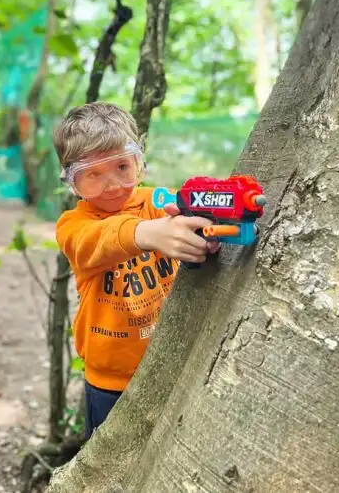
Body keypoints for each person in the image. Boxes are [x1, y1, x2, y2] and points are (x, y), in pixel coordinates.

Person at [52, 102, 220, 439]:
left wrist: (205, 233)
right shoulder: (73, 225)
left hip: (174, 363)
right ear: (72, 181)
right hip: (109, 381)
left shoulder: (158, 202)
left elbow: (189, 217)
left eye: (121, 167)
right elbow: (95, 241)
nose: (111, 184)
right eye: (92, 174)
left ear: (138, 162)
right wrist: (150, 234)